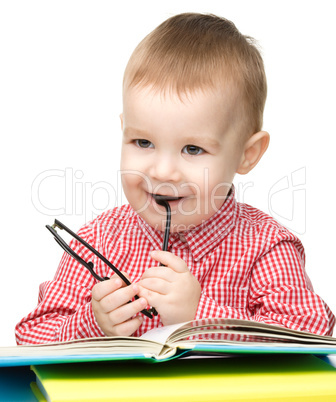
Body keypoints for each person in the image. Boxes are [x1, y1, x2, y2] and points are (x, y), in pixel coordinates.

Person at [16, 13, 335, 344]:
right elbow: (31, 334)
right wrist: (93, 323)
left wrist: (201, 315)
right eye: (143, 142)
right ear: (123, 130)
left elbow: (310, 331)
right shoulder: (98, 240)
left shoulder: (265, 246)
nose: (162, 171)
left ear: (247, 154)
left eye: (193, 149)